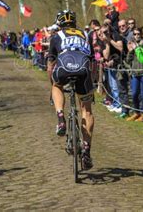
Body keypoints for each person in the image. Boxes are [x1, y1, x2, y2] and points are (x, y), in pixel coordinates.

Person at [47, 10, 95, 170]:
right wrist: (92, 83)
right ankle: (87, 151)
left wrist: (52, 82)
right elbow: (92, 60)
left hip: (64, 69)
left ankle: (60, 117)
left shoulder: (56, 36)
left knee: (56, 85)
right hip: (83, 71)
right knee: (86, 111)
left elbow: (50, 65)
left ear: (60, 24)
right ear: (75, 23)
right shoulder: (86, 35)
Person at [125, 27, 143, 122]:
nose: (136, 36)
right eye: (134, 34)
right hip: (135, 72)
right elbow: (128, 60)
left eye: (138, 34)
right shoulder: (132, 44)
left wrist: (138, 47)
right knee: (134, 93)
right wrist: (131, 51)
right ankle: (136, 112)